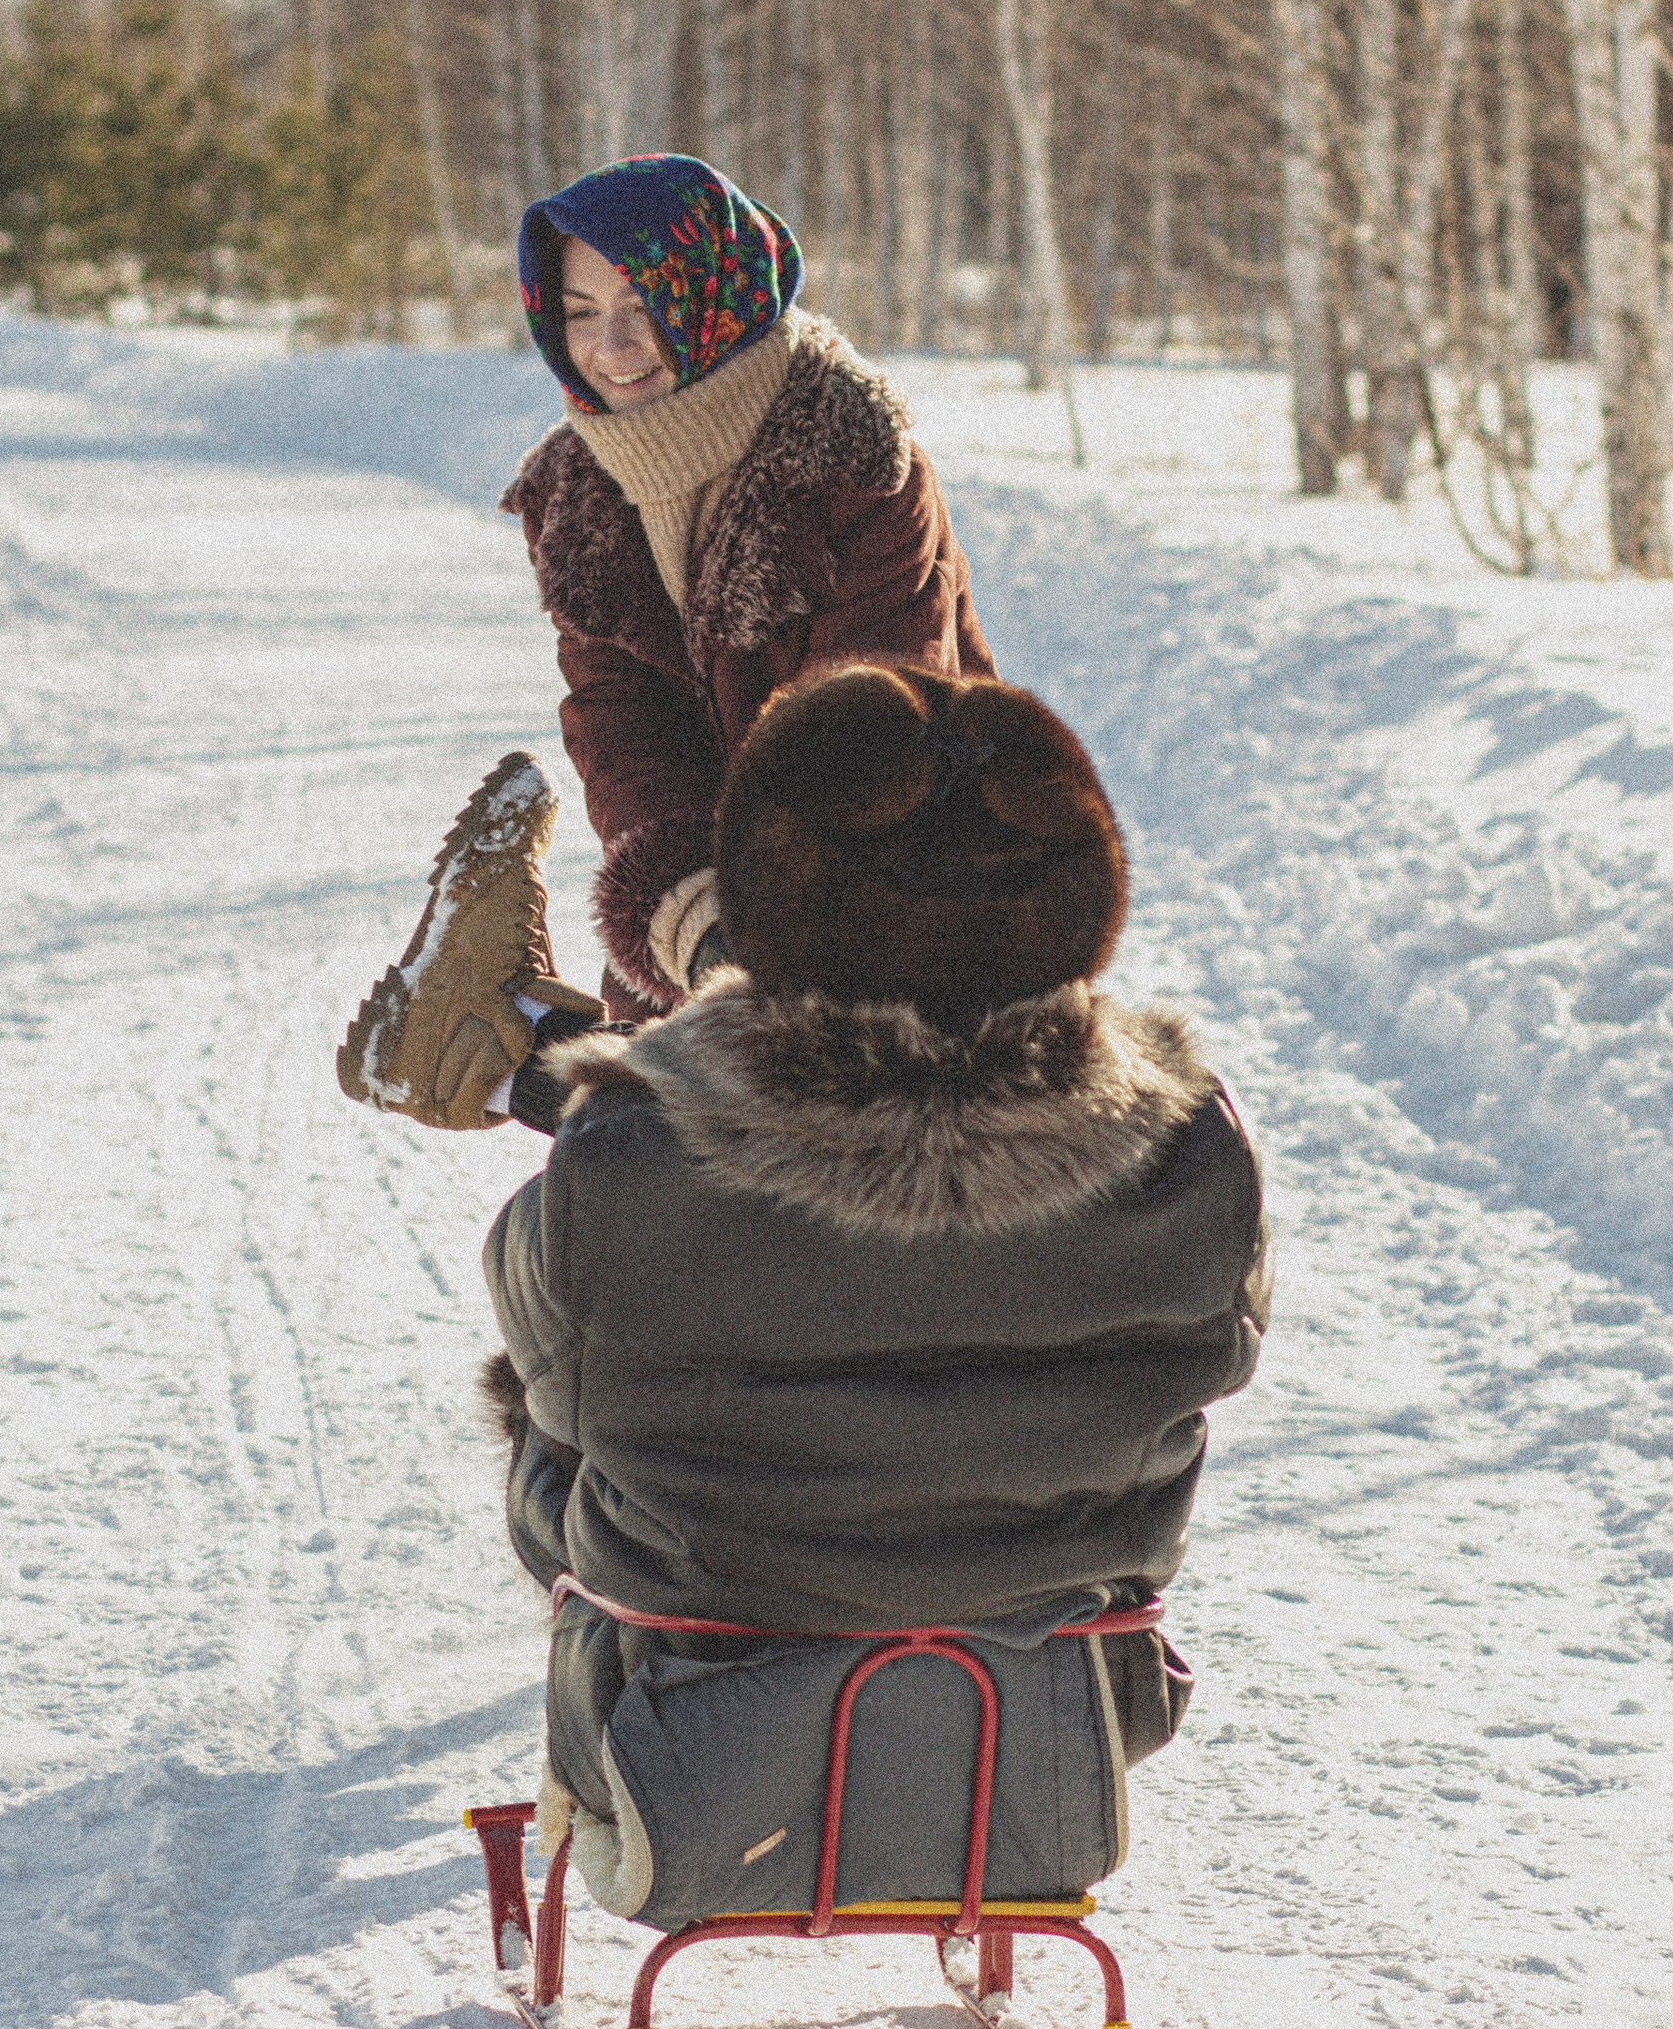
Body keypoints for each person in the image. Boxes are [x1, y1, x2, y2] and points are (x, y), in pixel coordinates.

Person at [480, 664, 1270, 1930]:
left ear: (764, 897)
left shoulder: (633, 1156)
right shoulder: (1190, 1148)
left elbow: (550, 1355)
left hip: (678, 1719)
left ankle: (508, 1050)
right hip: (1059, 1718)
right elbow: (1222, 1347)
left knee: (546, 1418)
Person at [340, 154, 995, 1137]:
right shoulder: (575, 494)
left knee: (885, 1134)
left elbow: (874, 716)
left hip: (899, 863)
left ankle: (497, 1045)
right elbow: (622, 727)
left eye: (646, 303)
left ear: (717, 298)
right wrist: (690, 916)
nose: (612, 348)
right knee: (687, 1165)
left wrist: (757, 938)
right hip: (710, 898)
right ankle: (498, 1036)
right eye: (579, 312)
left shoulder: (855, 459)